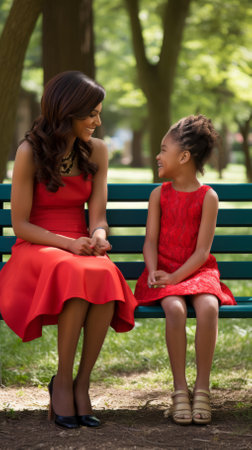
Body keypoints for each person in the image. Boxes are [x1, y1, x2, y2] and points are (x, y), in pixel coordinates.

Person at [0, 71, 137, 429]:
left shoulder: (98, 150)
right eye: (91, 113)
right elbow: (21, 224)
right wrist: (68, 244)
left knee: (104, 273)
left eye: (99, 112)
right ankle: (61, 379)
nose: (97, 121)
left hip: (78, 245)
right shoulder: (30, 151)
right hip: (38, 245)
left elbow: (98, 215)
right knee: (75, 271)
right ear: (67, 111)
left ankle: (82, 382)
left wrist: (99, 235)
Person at [134, 115, 236, 425]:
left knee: (208, 306)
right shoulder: (158, 195)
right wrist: (153, 271)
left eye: (163, 149)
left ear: (184, 156)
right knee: (175, 310)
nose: (158, 156)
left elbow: (202, 251)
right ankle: (180, 390)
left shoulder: (208, 197)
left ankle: (202, 388)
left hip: (197, 271)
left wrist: (178, 277)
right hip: (163, 271)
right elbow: (150, 241)